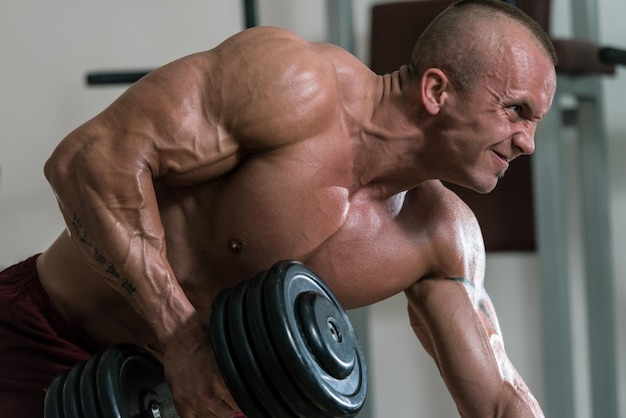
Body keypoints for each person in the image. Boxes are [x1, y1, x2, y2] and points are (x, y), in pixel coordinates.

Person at [0, 0, 557, 416]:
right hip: (42, 335)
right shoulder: (293, 85)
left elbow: (500, 398)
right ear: (437, 91)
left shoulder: (441, 237)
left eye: (536, 122)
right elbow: (88, 162)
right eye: (516, 110)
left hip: (197, 397)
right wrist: (181, 338)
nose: (527, 141)